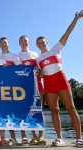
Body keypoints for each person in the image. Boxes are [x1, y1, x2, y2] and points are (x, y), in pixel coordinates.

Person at [35, 11, 83, 147]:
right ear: (37, 45)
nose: (41, 44)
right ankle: (59, 138)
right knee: (54, 110)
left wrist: (76, 19)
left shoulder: (56, 49)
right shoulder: (38, 59)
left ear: (46, 42)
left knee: (71, 108)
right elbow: (41, 74)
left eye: (43, 42)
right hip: (49, 84)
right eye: (39, 43)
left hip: (61, 80)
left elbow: (67, 33)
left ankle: (79, 138)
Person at [17, 35, 46, 145]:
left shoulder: (35, 54)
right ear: (19, 43)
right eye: (22, 41)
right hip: (23, 87)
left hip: (37, 85)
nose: (24, 43)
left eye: (26, 41)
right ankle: (33, 136)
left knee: (39, 110)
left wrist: (39, 72)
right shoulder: (18, 56)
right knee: (26, 111)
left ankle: (41, 136)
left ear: (29, 43)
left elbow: (40, 69)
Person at [0, 37, 22, 146]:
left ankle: (14, 138)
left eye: (5, 42)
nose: (3, 44)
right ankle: (3, 138)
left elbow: (20, 69)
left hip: (13, 87)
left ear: (8, 43)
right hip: (1, 88)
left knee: (13, 112)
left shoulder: (14, 56)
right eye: (1, 43)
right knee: (3, 113)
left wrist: (10, 67)